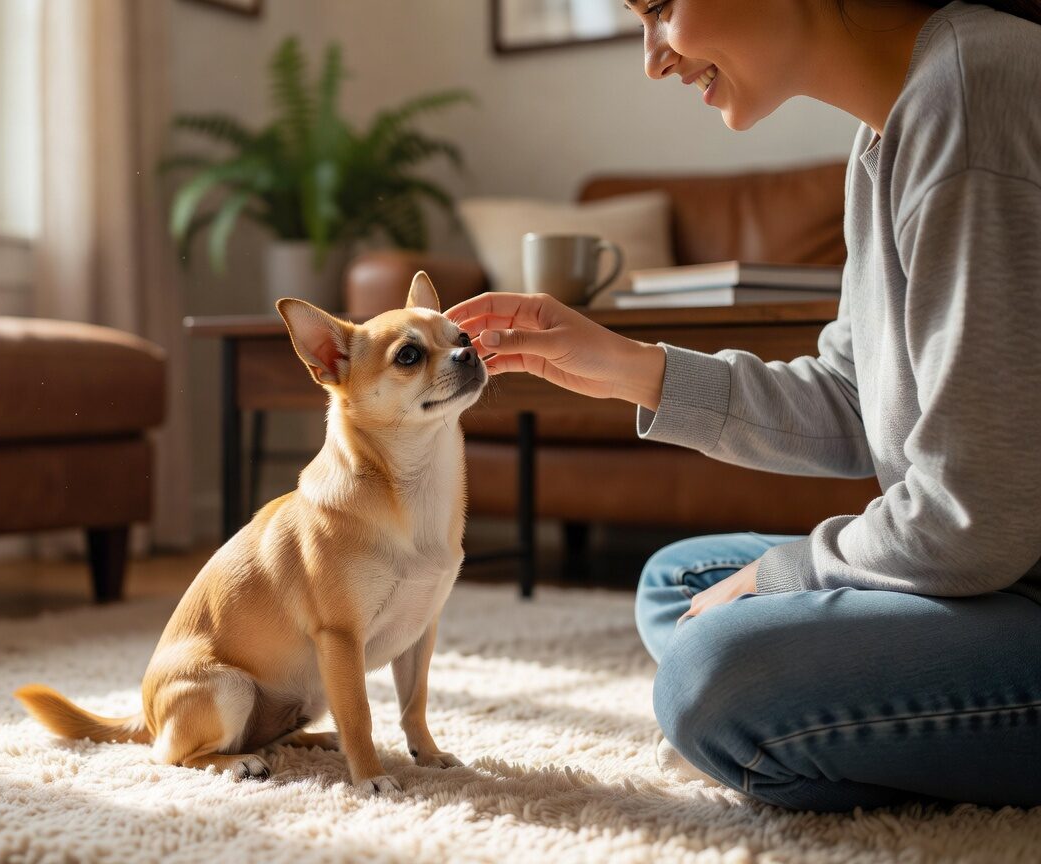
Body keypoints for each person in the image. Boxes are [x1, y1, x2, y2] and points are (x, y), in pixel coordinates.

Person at [445, 0, 1041, 811]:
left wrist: (783, 572)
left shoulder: (970, 98)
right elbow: (853, 400)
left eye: (658, 8)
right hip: (1004, 572)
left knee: (711, 676)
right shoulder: (887, 131)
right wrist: (632, 369)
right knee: (679, 581)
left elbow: (978, 517)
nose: (653, 59)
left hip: (1005, 566)